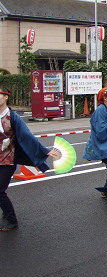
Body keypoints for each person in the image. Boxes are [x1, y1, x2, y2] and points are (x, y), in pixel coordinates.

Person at [0, 87, 59, 231]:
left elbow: (27, 137)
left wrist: (45, 151)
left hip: (8, 160)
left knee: (0, 191)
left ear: (6, 97)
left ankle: (12, 220)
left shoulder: (12, 117)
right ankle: (5, 210)